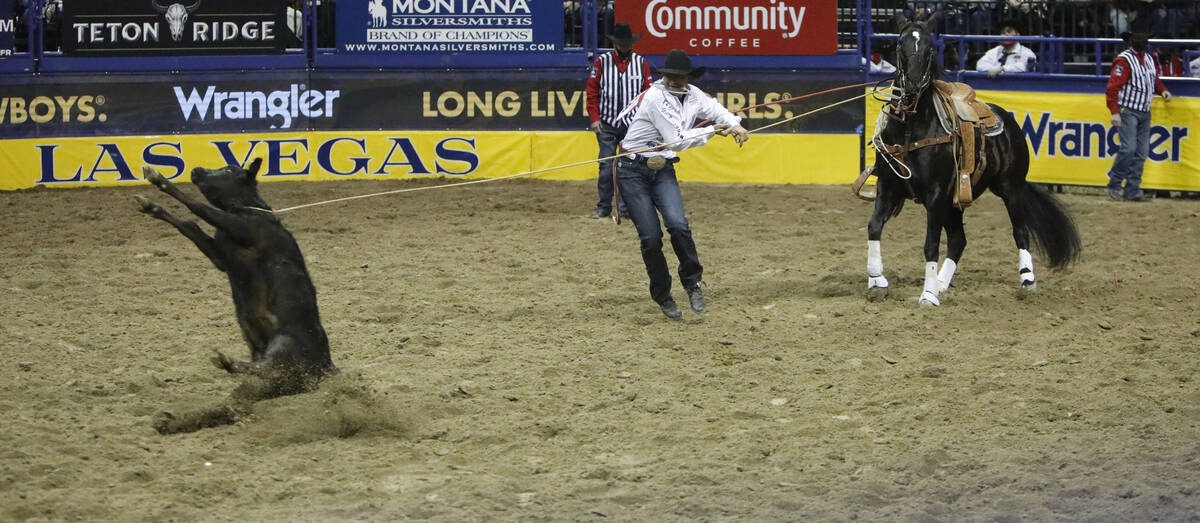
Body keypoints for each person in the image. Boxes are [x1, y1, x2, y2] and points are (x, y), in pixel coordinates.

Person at [613, 49, 748, 319]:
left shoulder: (694, 94)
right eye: (671, 76)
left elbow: (718, 112)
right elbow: (675, 140)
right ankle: (663, 295)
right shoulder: (654, 98)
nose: (675, 80)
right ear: (665, 76)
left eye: (680, 76)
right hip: (632, 169)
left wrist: (734, 125)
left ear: (688, 76)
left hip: (661, 168)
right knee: (651, 238)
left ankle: (693, 283)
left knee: (678, 224)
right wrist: (713, 131)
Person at [585, 22, 652, 219]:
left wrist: (644, 122)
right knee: (606, 166)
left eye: (626, 44)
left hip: (632, 125)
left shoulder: (642, 63)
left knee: (628, 167)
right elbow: (592, 91)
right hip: (606, 123)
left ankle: (625, 208)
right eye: (621, 44)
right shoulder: (601, 62)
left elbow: (648, 95)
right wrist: (594, 117)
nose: (624, 47)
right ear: (615, 44)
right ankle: (604, 206)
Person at [1105, 31, 1172, 202]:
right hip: (1128, 110)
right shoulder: (1123, 60)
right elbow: (1112, 88)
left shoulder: (1148, 58)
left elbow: (1153, 80)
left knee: (1141, 152)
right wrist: (1114, 112)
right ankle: (1114, 185)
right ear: (1131, 42)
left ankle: (1132, 190)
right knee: (1129, 148)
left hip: (1144, 110)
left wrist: (1162, 90)